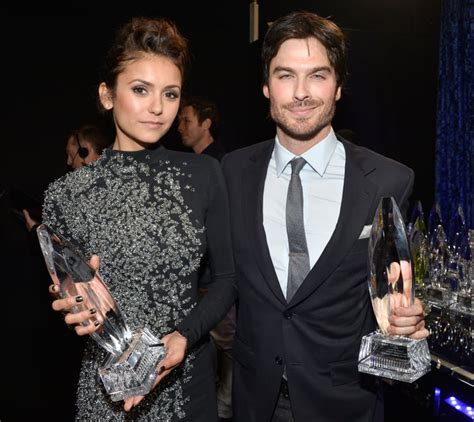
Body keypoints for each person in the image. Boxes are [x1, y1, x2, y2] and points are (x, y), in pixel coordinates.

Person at [221, 11, 429, 422]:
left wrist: (406, 318)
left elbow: (392, 286)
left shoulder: (390, 179)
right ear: (266, 85)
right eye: (285, 76)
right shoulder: (230, 172)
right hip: (253, 398)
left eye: (317, 75)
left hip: (345, 401)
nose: (301, 92)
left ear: (338, 87)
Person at [42, 17, 235, 421]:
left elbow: (227, 280)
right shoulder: (66, 195)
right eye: (140, 90)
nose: (157, 107)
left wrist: (184, 337)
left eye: (170, 94)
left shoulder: (203, 175)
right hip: (106, 392)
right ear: (107, 95)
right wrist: (71, 303)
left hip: (189, 382)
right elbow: (73, 294)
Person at [178, 96, 235, 421]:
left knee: (230, 361)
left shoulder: (221, 166)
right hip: (198, 286)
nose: (180, 126)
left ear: (206, 123)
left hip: (216, 286)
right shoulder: (188, 166)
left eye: (187, 120)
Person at [22, 124, 111, 232]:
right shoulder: (110, 177)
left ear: (85, 150)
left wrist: (38, 232)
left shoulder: (100, 186)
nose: (69, 162)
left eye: (70, 153)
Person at [178, 96, 226, 160]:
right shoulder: (196, 160)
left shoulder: (218, 163)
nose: (179, 128)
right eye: (179, 122)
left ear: (206, 124)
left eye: (186, 121)